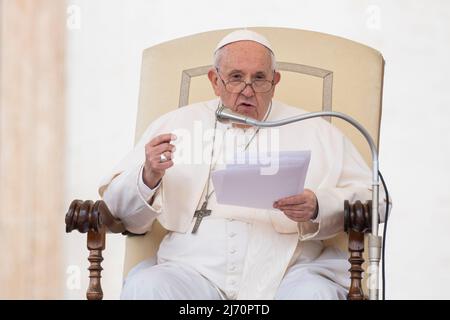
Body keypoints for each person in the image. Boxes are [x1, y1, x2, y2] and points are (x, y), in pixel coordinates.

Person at [99, 29, 385, 300]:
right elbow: (118, 209)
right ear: (214, 80)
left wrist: (319, 205)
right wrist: (148, 176)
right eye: (235, 77)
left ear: (275, 81)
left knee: (313, 295)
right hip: (191, 272)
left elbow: (377, 200)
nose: (247, 90)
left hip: (288, 273)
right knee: (148, 287)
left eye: (259, 78)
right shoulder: (175, 124)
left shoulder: (317, 130)